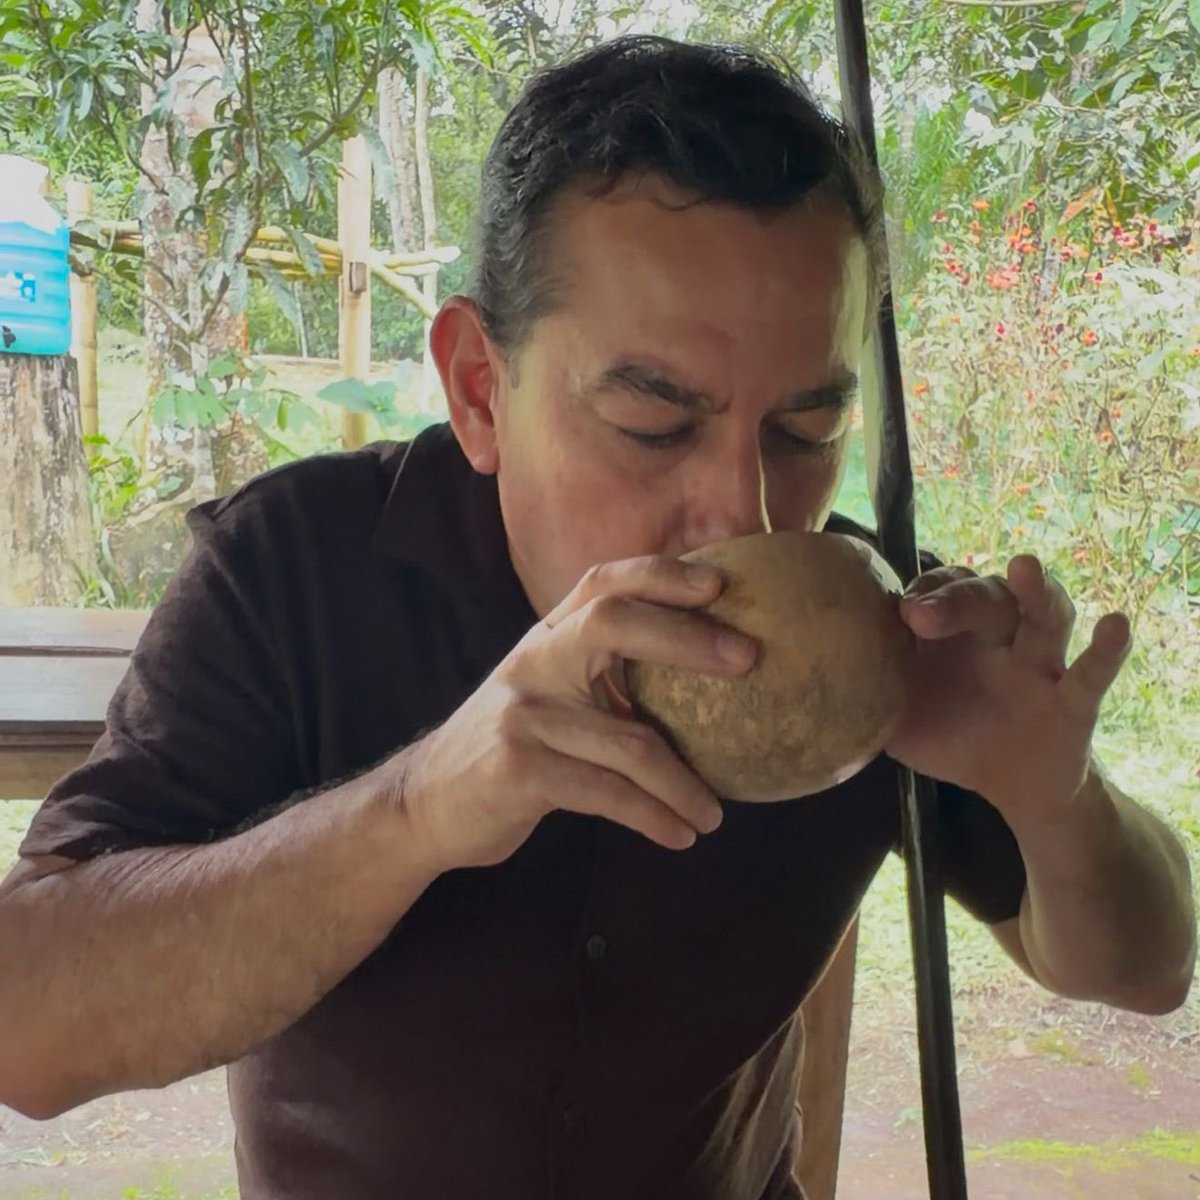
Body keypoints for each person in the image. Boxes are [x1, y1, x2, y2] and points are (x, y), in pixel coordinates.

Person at [0, 35, 1193, 1200]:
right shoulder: (298, 574)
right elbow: (30, 1029)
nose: (745, 509)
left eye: (807, 430)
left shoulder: (887, 640)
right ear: (480, 387)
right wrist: (421, 806)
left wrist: (1056, 796)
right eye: (655, 426)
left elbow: (1147, 969)